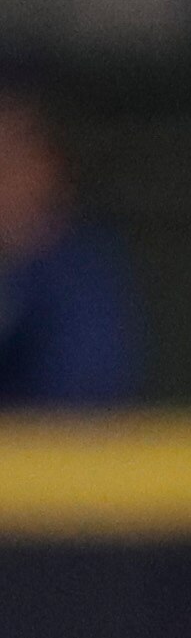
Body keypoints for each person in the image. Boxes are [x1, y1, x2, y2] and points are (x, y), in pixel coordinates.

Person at [0, 88, 143, 408]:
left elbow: (81, 400)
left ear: (48, 167)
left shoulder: (81, 274)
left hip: (59, 453)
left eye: (10, 159)